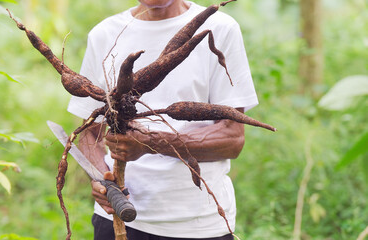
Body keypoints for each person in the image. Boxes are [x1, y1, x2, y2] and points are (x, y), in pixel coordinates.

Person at [67, 0, 258, 239]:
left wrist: (151, 142)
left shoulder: (221, 28)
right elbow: (89, 132)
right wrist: (101, 180)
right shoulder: (104, 33)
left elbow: (232, 138)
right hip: (117, 218)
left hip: (197, 226)